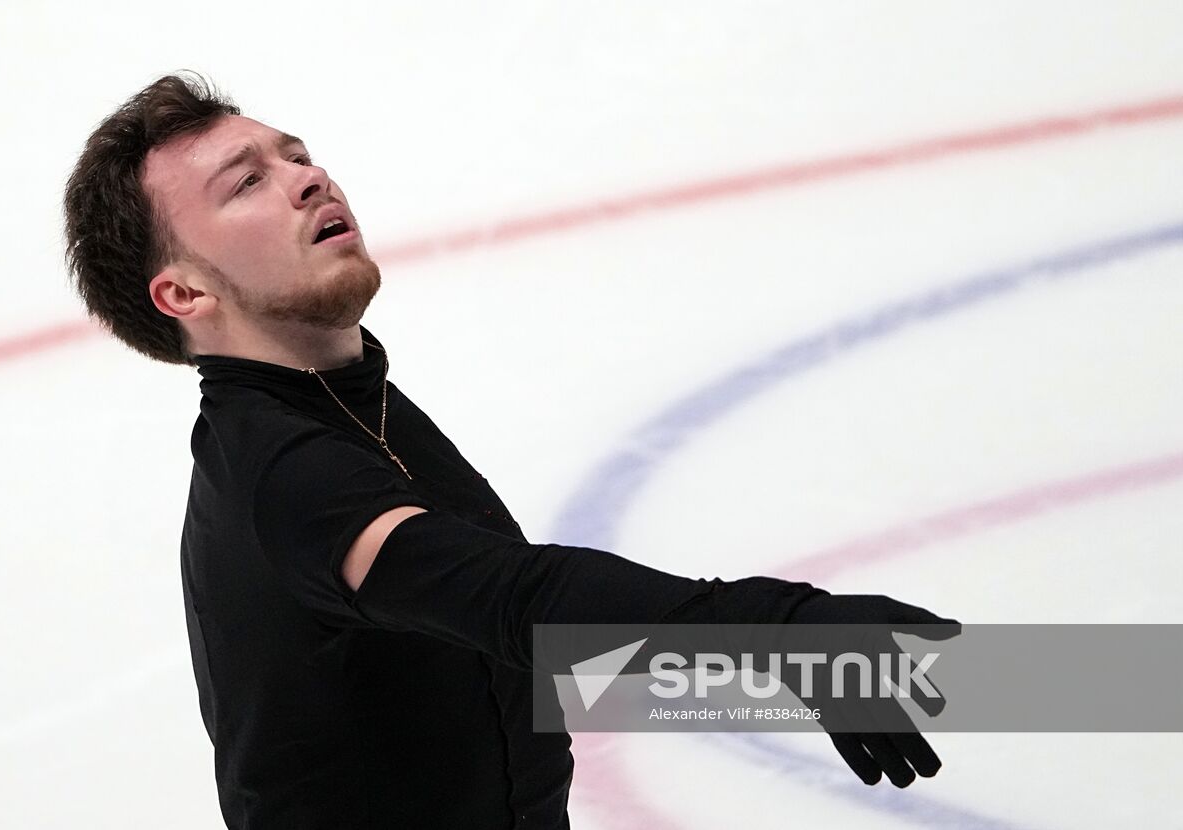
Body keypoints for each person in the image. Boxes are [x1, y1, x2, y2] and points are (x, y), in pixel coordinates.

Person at [63, 72, 958, 829]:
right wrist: (786, 636)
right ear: (182, 293)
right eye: (245, 183)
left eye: (295, 153)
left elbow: (496, 656)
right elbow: (517, 602)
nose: (307, 178)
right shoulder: (285, 472)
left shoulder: (342, 392)